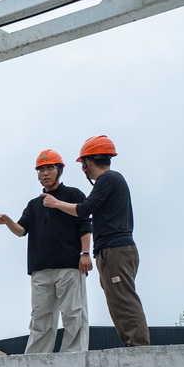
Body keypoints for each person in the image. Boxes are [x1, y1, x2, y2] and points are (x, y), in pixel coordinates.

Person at [41, 135, 150, 346]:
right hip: (112, 250)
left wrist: (56, 203)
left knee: (123, 299)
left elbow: (84, 209)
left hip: (115, 249)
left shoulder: (108, 179)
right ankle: (132, 345)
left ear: (87, 162)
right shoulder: (110, 180)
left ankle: (139, 347)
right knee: (116, 300)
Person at [0, 150, 92, 353]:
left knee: (73, 313)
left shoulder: (73, 195)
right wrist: (8, 221)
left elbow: (84, 225)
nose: (45, 173)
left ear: (59, 170)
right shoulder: (34, 204)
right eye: (41, 169)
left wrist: (85, 253)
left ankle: (74, 356)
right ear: (37, 174)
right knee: (40, 317)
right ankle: (36, 360)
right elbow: (21, 231)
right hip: (40, 269)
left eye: (50, 168)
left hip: (69, 265)